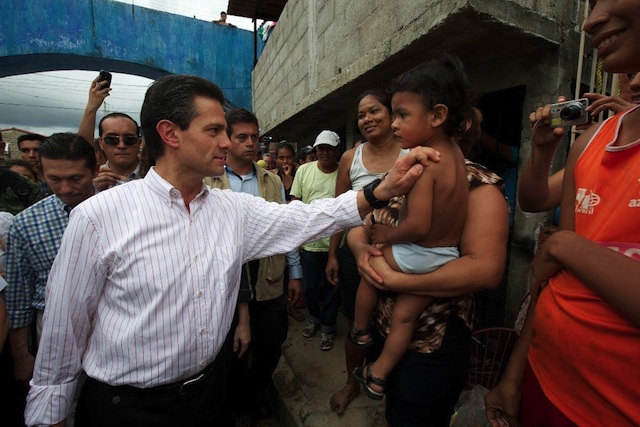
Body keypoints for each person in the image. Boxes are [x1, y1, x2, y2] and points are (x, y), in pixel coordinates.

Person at [24, 74, 433, 427]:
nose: (227, 142)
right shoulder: (98, 217)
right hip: (127, 409)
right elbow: (63, 330)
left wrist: (378, 191)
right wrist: (50, 416)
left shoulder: (232, 210)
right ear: (170, 134)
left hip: (211, 394)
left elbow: (305, 218)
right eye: (214, 131)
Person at [485, 1, 640, 425]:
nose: (590, 19)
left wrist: (564, 246)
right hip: (545, 375)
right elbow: (535, 207)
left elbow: (560, 253)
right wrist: (514, 376)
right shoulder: (592, 141)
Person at [350, 54, 470, 402]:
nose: (394, 124)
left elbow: (418, 225)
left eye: (402, 115)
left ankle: (359, 330)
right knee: (404, 317)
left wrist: (387, 235)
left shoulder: (424, 164)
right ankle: (378, 375)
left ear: (437, 115)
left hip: (416, 254)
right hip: (444, 257)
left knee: (371, 266)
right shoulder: (455, 156)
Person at [204, 109, 303, 422]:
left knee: (272, 341)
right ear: (227, 139)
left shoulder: (271, 181)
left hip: (269, 274)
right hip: (227, 280)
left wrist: (295, 273)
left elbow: (286, 228)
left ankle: (256, 391)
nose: (250, 143)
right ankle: (235, 400)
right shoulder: (209, 181)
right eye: (242, 137)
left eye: (255, 137)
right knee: (229, 348)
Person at [329, 88, 409, 415]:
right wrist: (333, 255)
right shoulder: (351, 158)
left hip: (403, 253)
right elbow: (337, 211)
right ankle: (352, 381)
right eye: (361, 115)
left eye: (374, 111)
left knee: (399, 320)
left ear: (392, 115)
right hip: (356, 252)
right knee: (356, 322)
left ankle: (387, 380)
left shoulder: (411, 151)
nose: (367, 119)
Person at [5, 133, 98, 386]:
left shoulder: (125, 210)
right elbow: (18, 296)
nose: (65, 189)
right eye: (54, 179)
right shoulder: (26, 224)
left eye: (75, 179)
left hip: (116, 324)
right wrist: (21, 355)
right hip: (54, 330)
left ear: (94, 170)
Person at [519, 71, 640, 213]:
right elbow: (535, 202)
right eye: (630, 74)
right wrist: (542, 150)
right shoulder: (594, 143)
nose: (635, 83)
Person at [290, 130, 342, 351]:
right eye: (321, 148)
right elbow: (296, 202)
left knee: (332, 288)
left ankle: (328, 328)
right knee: (310, 287)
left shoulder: (343, 173)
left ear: (337, 150)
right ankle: (314, 318)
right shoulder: (304, 170)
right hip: (309, 243)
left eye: (329, 148)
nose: (324, 152)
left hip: (336, 243)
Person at [79, 74, 143, 191]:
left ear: (139, 143)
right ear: (101, 143)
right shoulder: (94, 178)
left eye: (129, 139)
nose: (121, 145)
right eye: (112, 139)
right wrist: (92, 191)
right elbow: (81, 149)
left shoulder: (156, 175)